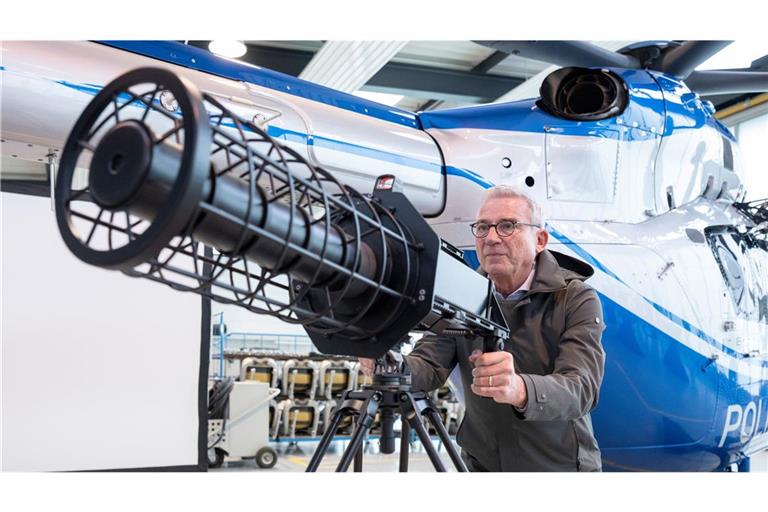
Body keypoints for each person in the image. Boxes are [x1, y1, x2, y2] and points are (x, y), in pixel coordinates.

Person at [361, 185, 605, 471]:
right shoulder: (462, 296)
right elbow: (429, 365)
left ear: (540, 240)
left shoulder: (574, 298)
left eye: (507, 226)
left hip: (559, 468)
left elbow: (581, 387)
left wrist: (519, 388)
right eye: (482, 227)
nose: (491, 238)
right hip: (483, 465)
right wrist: (392, 365)